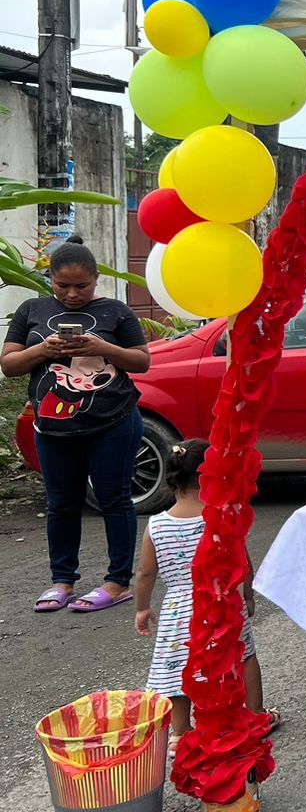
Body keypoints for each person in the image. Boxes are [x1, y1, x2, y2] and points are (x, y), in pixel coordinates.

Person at [3, 237, 150, 613]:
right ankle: (62, 581)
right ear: (50, 279)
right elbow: (9, 364)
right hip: (53, 426)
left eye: (81, 286)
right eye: (62, 285)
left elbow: (141, 361)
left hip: (113, 423)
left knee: (114, 500)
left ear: (96, 279)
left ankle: (118, 582)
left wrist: (103, 348)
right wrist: (43, 349)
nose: (71, 294)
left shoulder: (116, 311)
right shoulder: (31, 309)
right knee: (61, 504)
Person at [133, 439, 276, 737]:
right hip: (223, 604)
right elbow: (242, 561)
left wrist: (142, 608)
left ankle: (181, 732)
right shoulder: (222, 516)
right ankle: (255, 716)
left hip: (178, 611)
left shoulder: (156, 526)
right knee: (244, 656)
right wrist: (247, 595)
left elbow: (146, 573)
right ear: (212, 476)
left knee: (176, 667)